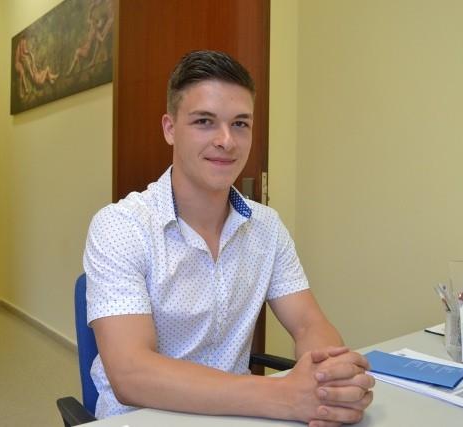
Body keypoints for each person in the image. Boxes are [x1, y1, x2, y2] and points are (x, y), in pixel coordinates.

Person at [83, 50, 374, 426]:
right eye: (204, 121)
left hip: (239, 414)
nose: (226, 140)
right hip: (143, 418)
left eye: (240, 124)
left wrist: (330, 380)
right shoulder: (121, 226)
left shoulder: (267, 227)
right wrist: (283, 396)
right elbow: (131, 374)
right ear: (170, 128)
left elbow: (308, 323)